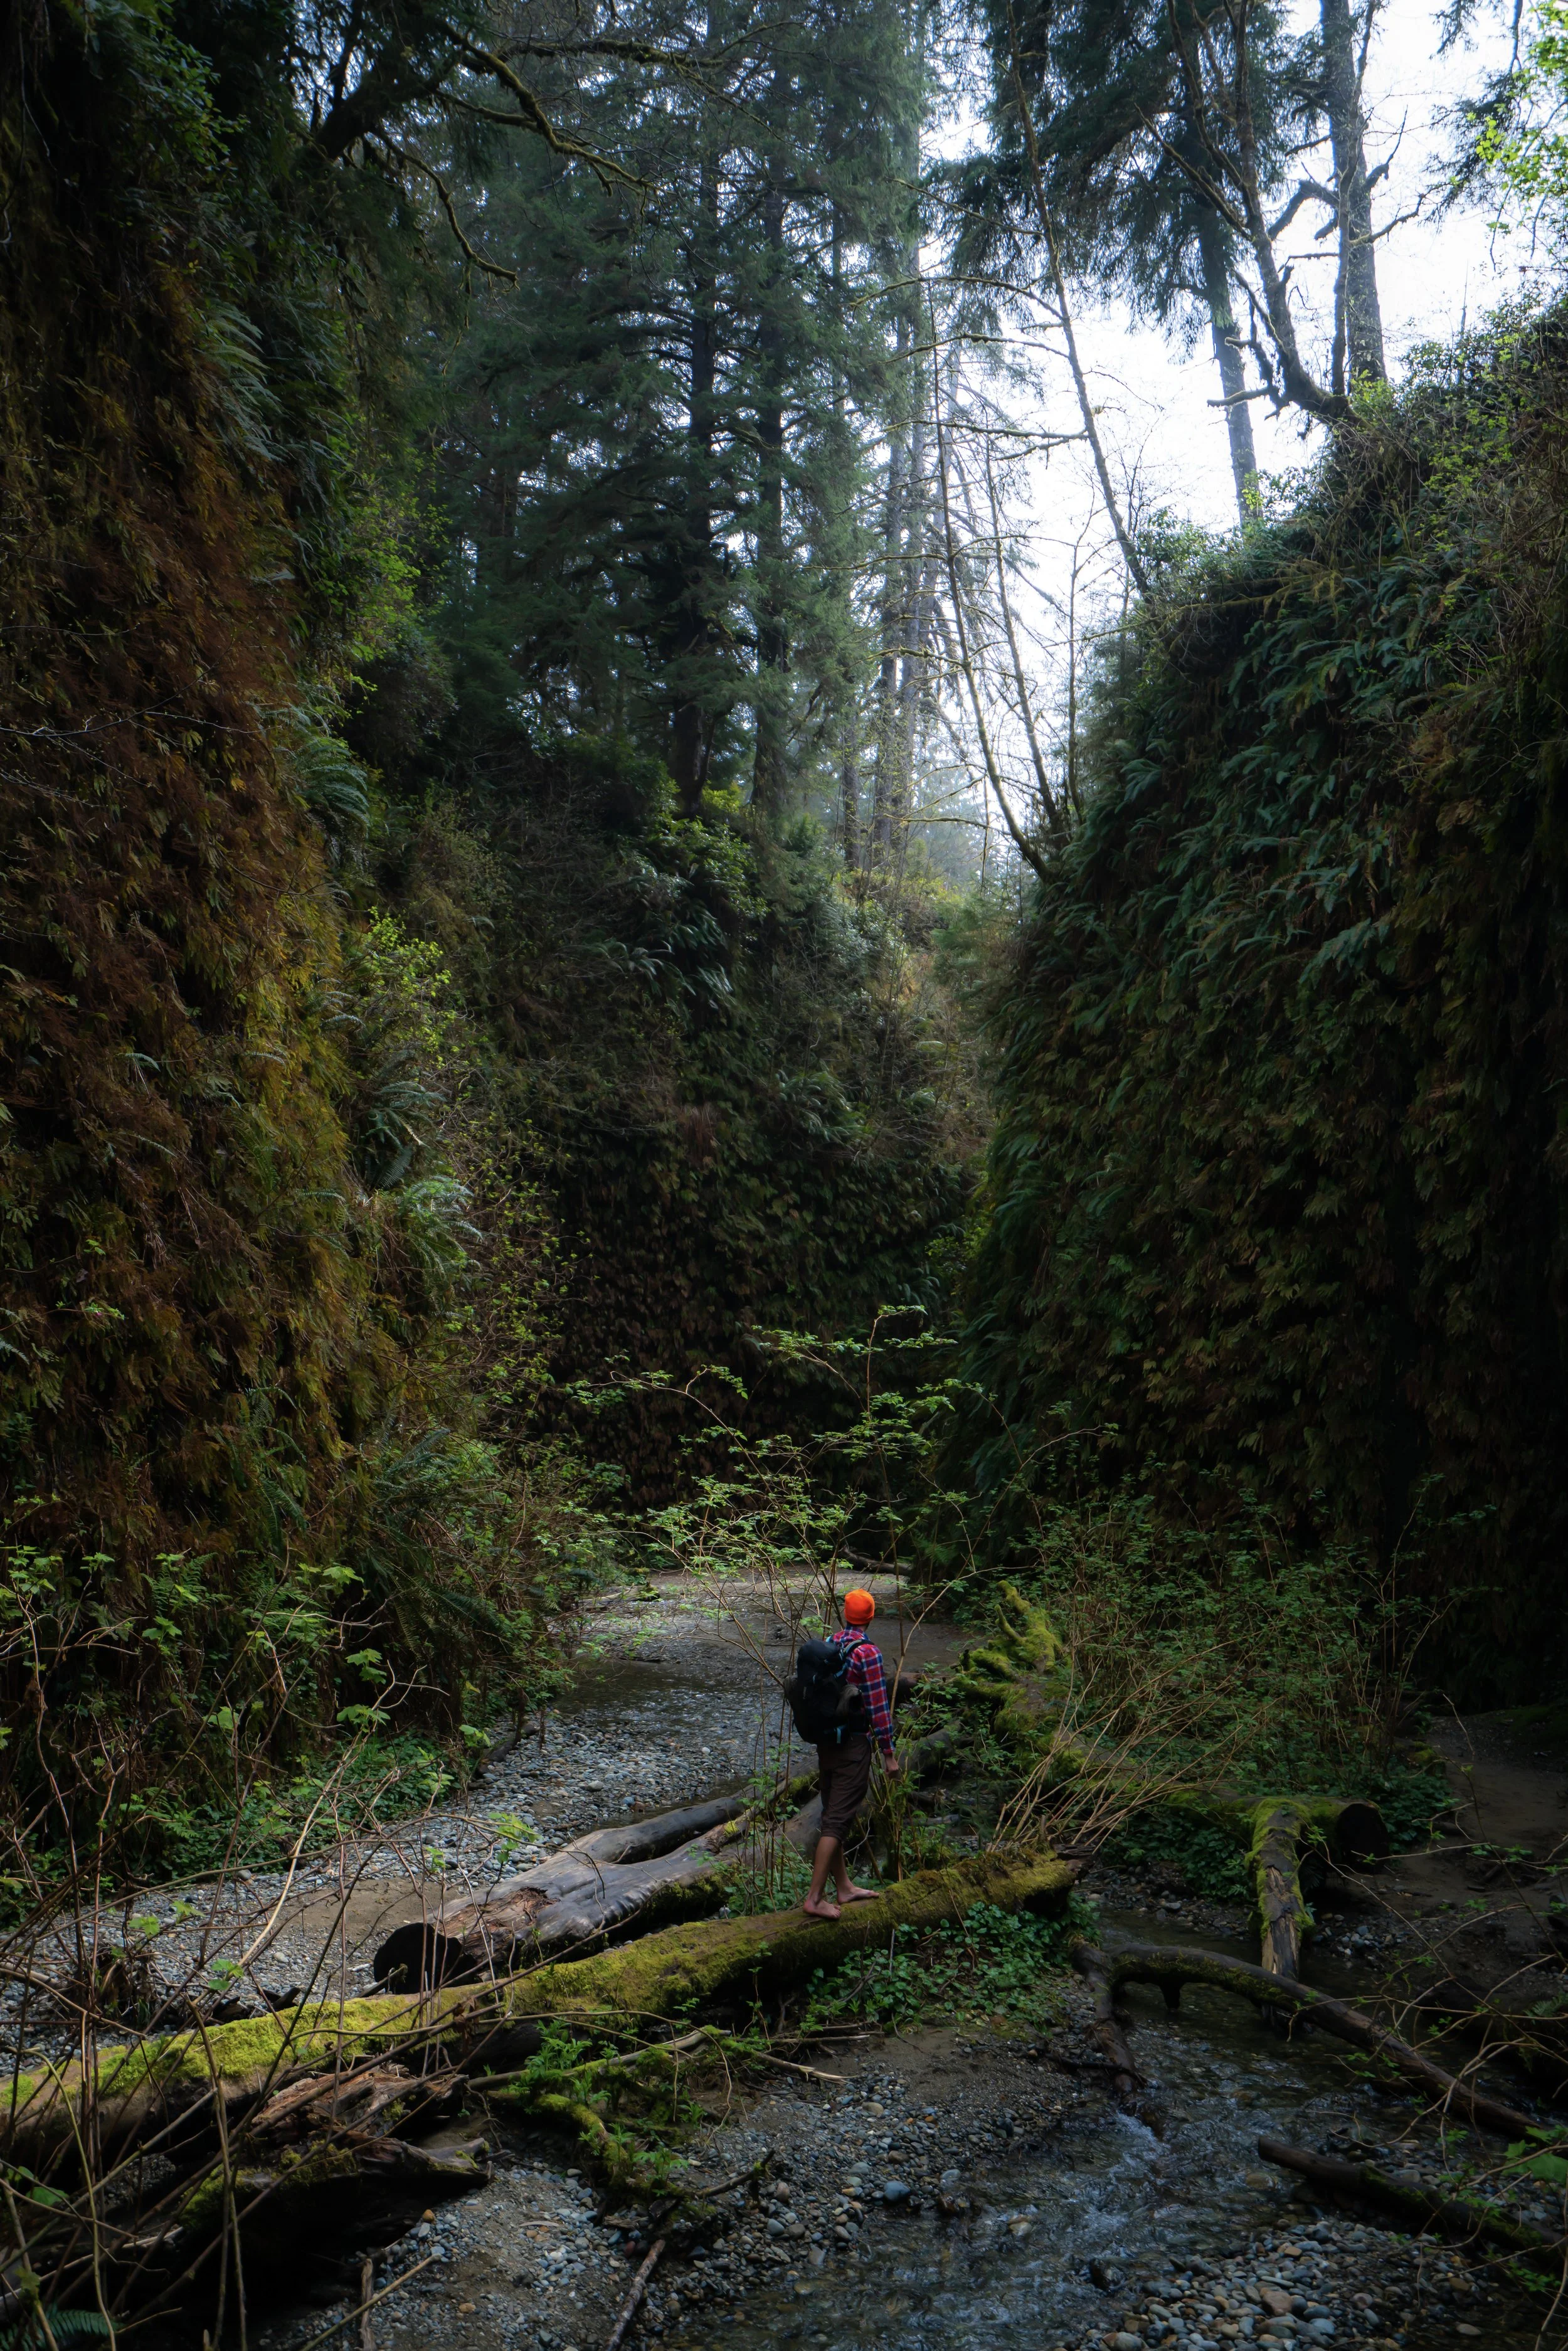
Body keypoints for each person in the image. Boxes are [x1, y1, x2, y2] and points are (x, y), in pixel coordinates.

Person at [802, 1588, 901, 1923]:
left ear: (846, 1614)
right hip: (854, 1745)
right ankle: (814, 1898)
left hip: (827, 1741)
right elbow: (878, 1706)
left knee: (833, 1811)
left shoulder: (830, 1643)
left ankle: (843, 1887)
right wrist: (889, 1754)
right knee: (839, 1819)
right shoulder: (868, 1653)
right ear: (871, 1617)